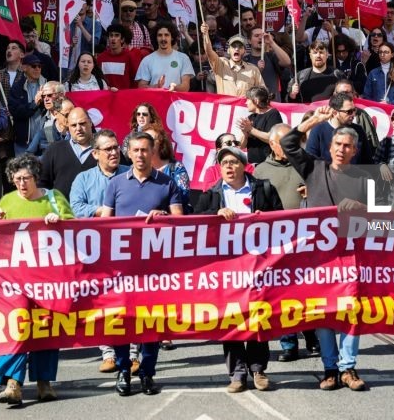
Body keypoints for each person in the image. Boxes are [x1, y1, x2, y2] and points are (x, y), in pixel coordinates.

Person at [280, 111, 370, 392]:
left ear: (354, 151)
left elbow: (381, 218)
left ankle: (348, 367)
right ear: (329, 147)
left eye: (347, 146)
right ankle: (330, 368)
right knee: (324, 313)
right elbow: (288, 145)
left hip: (350, 255)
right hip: (319, 257)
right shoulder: (313, 169)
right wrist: (311, 123)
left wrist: (361, 209)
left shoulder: (363, 179)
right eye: (337, 144)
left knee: (350, 313)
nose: (341, 149)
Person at [102, 132, 184, 396]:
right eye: (135, 150)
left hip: (155, 270)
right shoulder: (115, 184)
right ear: (129, 153)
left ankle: (147, 372)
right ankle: (124, 371)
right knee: (122, 323)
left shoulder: (167, 183)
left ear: (153, 152)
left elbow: (181, 223)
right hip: (122, 269)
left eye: (144, 150)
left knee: (152, 324)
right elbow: (103, 225)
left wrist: (163, 217)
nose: (140, 155)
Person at [195, 145, 282, 392]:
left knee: (257, 316)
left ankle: (258, 369)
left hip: (257, 266)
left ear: (245, 165)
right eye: (224, 163)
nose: (229, 167)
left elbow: (283, 218)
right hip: (226, 269)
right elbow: (196, 224)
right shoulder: (210, 194)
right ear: (219, 168)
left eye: (234, 162)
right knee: (231, 318)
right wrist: (215, 213)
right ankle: (237, 373)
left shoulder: (263, 188)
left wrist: (264, 217)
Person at [0, 154, 74, 404]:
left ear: (36, 177)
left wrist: (59, 221)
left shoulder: (54, 198)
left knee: (46, 327)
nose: (22, 184)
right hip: (16, 279)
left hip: (49, 279)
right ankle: (13, 383)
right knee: (16, 327)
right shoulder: (7, 201)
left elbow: (75, 227)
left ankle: (44, 382)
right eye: (17, 179)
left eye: (26, 178)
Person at [254, 123, 320, 360]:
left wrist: (312, 190)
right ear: (272, 144)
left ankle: (312, 337)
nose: (286, 148)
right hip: (277, 241)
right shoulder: (261, 171)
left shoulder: (304, 163)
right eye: (281, 144)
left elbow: (322, 188)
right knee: (283, 293)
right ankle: (288, 343)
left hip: (305, 238)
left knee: (308, 291)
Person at [69, 129, 130, 372]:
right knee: (102, 302)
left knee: (130, 301)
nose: (114, 152)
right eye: (108, 149)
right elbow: (75, 207)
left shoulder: (130, 174)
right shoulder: (83, 179)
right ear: (95, 154)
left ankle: (134, 352)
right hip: (98, 251)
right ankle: (108, 353)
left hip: (127, 249)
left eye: (116, 147)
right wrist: (102, 211)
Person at [40, 107, 97, 199]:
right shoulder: (54, 150)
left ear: (90, 123)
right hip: (61, 212)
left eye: (82, 123)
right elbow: (41, 183)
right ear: (68, 127)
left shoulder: (106, 148)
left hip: (100, 211)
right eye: (74, 125)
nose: (78, 128)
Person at [305, 92, 375, 164]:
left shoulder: (358, 130)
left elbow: (368, 162)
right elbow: (310, 162)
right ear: (335, 113)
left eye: (354, 110)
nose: (353, 114)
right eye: (349, 111)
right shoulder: (318, 130)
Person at [201, 25, 264, 97]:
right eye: (234, 46)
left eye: (240, 47)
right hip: (225, 108)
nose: (237, 49)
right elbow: (209, 52)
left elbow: (262, 92)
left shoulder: (253, 69)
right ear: (228, 50)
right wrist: (205, 35)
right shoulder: (221, 64)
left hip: (246, 108)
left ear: (245, 51)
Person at [144, 126, 191, 214]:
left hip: (171, 220)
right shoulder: (137, 168)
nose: (147, 143)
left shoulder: (176, 167)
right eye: (145, 139)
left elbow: (183, 197)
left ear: (161, 143)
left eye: (151, 139)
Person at [136, 22, 194, 92]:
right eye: (160, 35)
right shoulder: (147, 60)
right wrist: (156, 86)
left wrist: (174, 87)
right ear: (156, 38)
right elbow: (141, 87)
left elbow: (185, 87)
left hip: (175, 102)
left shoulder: (183, 58)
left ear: (172, 37)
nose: (163, 38)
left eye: (166, 35)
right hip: (154, 101)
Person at [9, 54, 47, 156]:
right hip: (24, 143)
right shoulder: (16, 88)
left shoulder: (47, 86)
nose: (37, 69)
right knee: (23, 171)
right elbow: (16, 112)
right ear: (24, 67)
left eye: (39, 66)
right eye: (34, 66)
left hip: (45, 142)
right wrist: (34, 104)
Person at [243, 27, 292, 100]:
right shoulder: (245, 60)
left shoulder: (271, 56)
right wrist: (257, 71)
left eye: (262, 35)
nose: (260, 38)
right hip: (253, 104)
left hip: (272, 104)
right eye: (256, 36)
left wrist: (271, 42)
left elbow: (287, 62)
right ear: (249, 40)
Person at [238, 86, 283, 165]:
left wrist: (251, 129)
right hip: (252, 164)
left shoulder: (273, 113)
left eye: (248, 100)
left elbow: (272, 138)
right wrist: (245, 133)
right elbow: (241, 146)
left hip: (269, 163)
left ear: (256, 100)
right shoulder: (250, 118)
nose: (246, 103)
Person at [96, 24, 144, 90]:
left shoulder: (130, 57)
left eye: (116, 35)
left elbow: (135, 81)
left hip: (125, 97)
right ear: (108, 38)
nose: (113, 38)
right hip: (105, 97)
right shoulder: (101, 58)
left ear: (122, 40)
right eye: (111, 35)